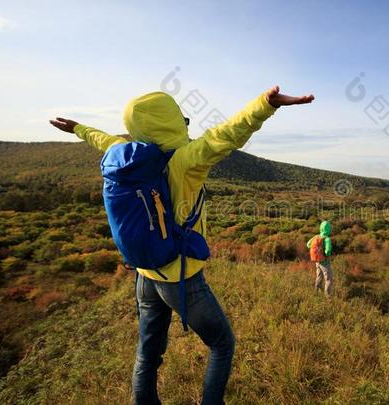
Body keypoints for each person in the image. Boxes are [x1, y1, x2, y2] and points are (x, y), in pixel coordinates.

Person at [49, 86, 314, 405]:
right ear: (171, 123)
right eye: (182, 120)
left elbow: (102, 139)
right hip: (179, 276)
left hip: (145, 274)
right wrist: (265, 104)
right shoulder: (185, 162)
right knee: (222, 344)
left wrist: (78, 128)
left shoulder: (123, 154)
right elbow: (225, 135)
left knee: (148, 354)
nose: (186, 126)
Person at [306, 220, 333, 296]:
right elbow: (328, 251)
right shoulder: (327, 239)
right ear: (329, 229)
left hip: (317, 261)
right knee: (328, 279)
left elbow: (308, 244)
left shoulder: (316, 237)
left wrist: (317, 251)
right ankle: (328, 296)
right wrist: (326, 254)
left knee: (319, 277)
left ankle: (316, 291)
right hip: (325, 262)